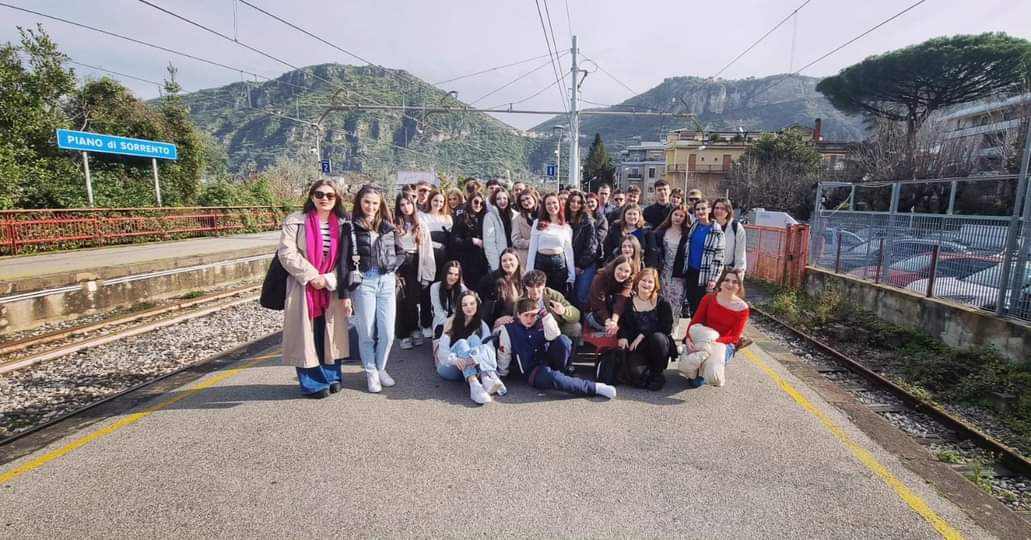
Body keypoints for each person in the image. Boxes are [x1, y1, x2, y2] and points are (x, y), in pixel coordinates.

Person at [278, 180, 352, 398]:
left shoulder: (343, 223)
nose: (324, 199)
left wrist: (328, 278)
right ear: (312, 196)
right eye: (319, 194)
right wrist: (312, 276)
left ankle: (332, 376)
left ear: (337, 199)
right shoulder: (296, 221)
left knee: (330, 333)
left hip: (330, 285)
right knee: (306, 335)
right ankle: (312, 383)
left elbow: (347, 257)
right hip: (303, 285)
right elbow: (287, 253)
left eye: (330, 195)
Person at [496, 298, 617, 399]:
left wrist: (546, 316)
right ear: (518, 315)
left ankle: (564, 372)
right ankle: (595, 388)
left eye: (533, 315)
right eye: (526, 315)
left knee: (563, 340)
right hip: (533, 370)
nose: (529, 319)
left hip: (549, 360)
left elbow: (555, 336)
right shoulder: (509, 329)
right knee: (555, 378)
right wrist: (502, 374)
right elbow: (504, 353)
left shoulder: (541, 322)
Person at [349, 184, 405, 393]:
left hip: (387, 281)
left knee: (388, 333)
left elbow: (401, 252)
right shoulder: (351, 227)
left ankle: (381, 367)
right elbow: (344, 260)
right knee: (367, 332)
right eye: (367, 202)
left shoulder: (388, 227)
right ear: (360, 202)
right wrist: (344, 294)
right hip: (364, 281)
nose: (371, 207)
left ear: (380, 204)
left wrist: (392, 266)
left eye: (375, 203)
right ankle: (371, 371)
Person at [435, 290, 507, 405]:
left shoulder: (482, 325)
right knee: (462, 343)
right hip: (450, 367)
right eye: (465, 305)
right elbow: (442, 352)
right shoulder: (451, 322)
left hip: (471, 366)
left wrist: (473, 359)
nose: (469, 307)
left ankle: (485, 378)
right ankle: (475, 387)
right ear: (460, 307)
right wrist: (455, 360)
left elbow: (488, 349)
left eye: (472, 303)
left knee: (475, 340)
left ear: (477, 304)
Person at [684, 270, 750, 387]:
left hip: (724, 343)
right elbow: (695, 322)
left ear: (739, 286)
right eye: (727, 280)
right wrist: (688, 339)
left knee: (701, 379)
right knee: (693, 378)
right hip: (704, 337)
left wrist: (714, 342)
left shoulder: (742, 308)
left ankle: (722, 360)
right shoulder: (708, 298)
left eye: (734, 282)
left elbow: (734, 337)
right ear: (720, 283)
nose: (730, 284)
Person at [618, 268, 676, 390]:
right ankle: (648, 373)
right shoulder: (629, 302)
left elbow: (666, 327)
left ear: (655, 285)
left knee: (658, 338)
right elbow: (623, 323)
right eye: (644, 280)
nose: (646, 284)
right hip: (638, 347)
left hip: (658, 345)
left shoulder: (662, 302)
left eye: (650, 282)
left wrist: (642, 335)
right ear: (638, 281)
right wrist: (623, 336)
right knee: (636, 375)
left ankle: (658, 372)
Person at [393, 194, 436, 350]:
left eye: (408, 204)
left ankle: (414, 328)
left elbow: (428, 250)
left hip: (416, 262)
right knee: (400, 300)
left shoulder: (421, 224)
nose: (406, 207)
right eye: (402, 204)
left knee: (412, 300)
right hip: (399, 264)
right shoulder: (394, 224)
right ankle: (403, 334)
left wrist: (428, 274)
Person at [419, 189, 453, 337]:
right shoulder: (423, 216)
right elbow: (422, 237)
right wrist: (436, 244)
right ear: (430, 201)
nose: (438, 204)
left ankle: (442, 320)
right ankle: (426, 323)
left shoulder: (447, 218)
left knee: (443, 289)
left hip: (444, 258)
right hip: (428, 257)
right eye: (435, 200)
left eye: (441, 201)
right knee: (427, 289)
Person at [526, 193, 575, 294]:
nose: (552, 206)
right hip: (541, 263)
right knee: (540, 294)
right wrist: (529, 271)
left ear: (559, 204)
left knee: (558, 295)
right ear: (544, 207)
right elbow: (532, 249)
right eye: (548, 204)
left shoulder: (566, 227)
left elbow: (568, 252)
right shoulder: (538, 223)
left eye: (554, 203)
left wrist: (572, 274)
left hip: (559, 264)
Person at [683, 199, 725, 317]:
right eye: (697, 209)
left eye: (703, 208)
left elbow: (719, 258)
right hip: (691, 271)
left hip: (705, 275)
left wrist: (713, 280)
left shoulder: (717, 231)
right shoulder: (694, 226)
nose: (700, 211)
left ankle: (699, 328)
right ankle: (693, 327)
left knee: (701, 307)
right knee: (691, 304)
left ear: (709, 210)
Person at [522, 270, 581, 342]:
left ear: (544, 285)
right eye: (531, 287)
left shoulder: (552, 295)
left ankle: (572, 348)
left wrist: (564, 311)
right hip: (535, 333)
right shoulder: (521, 301)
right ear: (526, 287)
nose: (535, 291)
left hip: (556, 329)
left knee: (576, 327)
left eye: (538, 286)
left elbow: (577, 315)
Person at [585, 255, 636, 336]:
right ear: (614, 267)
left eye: (627, 271)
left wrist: (614, 321)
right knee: (609, 328)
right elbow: (599, 304)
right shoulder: (600, 278)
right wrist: (608, 321)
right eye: (620, 269)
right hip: (596, 312)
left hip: (614, 314)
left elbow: (621, 301)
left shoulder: (629, 280)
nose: (622, 274)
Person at [654, 204, 690, 318]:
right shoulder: (661, 231)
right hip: (663, 272)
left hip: (678, 274)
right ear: (671, 215)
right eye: (676, 214)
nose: (678, 218)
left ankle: (674, 327)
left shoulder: (688, 234)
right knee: (662, 302)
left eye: (681, 216)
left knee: (676, 302)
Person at [450, 192, 489, 293]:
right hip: (466, 261)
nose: (478, 205)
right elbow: (455, 240)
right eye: (476, 202)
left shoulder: (485, 218)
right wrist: (472, 241)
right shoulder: (461, 218)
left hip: (482, 262)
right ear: (470, 202)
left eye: (481, 203)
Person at [565, 190, 598, 308]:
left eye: (579, 202)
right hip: (568, 263)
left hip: (585, 265)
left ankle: (583, 318)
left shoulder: (588, 221)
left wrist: (580, 265)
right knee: (568, 295)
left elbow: (591, 247)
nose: (575, 204)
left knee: (581, 296)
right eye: (573, 201)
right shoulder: (563, 219)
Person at [478, 248, 524, 329]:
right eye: (504, 261)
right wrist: (496, 321)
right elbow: (487, 307)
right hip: (498, 323)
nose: (508, 263)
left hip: (521, 321)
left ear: (518, 261)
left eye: (511, 259)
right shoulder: (491, 280)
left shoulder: (525, 279)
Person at [430, 260, 468, 338]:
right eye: (450, 273)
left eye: (456, 275)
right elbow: (438, 311)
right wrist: (449, 325)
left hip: (458, 322)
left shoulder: (462, 288)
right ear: (445, 273)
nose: (453, 277)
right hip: (441, 322)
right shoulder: (435, 287)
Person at [483, 187, 515, 272]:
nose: (502, 201)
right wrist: (496, 266)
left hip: (514, 261)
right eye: (498, 199)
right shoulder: (490, 217)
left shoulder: (514, 215)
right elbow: (489, 244)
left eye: (504, 198)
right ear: (494, 201)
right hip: (499, 263)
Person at [712, 198, 747, 276]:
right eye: (716, 208)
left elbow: (740, 252)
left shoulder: (736, 227)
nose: (719, 211)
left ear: (728, 211)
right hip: (710, 269)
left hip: (727, 271)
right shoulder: (710, 225)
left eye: (722, 209)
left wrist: (739, 272)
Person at [511, 190, 538, 270]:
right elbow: (516, 240)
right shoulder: (517, 219)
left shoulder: (544, 215)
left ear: (534, 198)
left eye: (527, 198)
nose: (526, 202)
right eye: (522, 200)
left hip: (543, 257)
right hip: (526, 258)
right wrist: (533, 242)